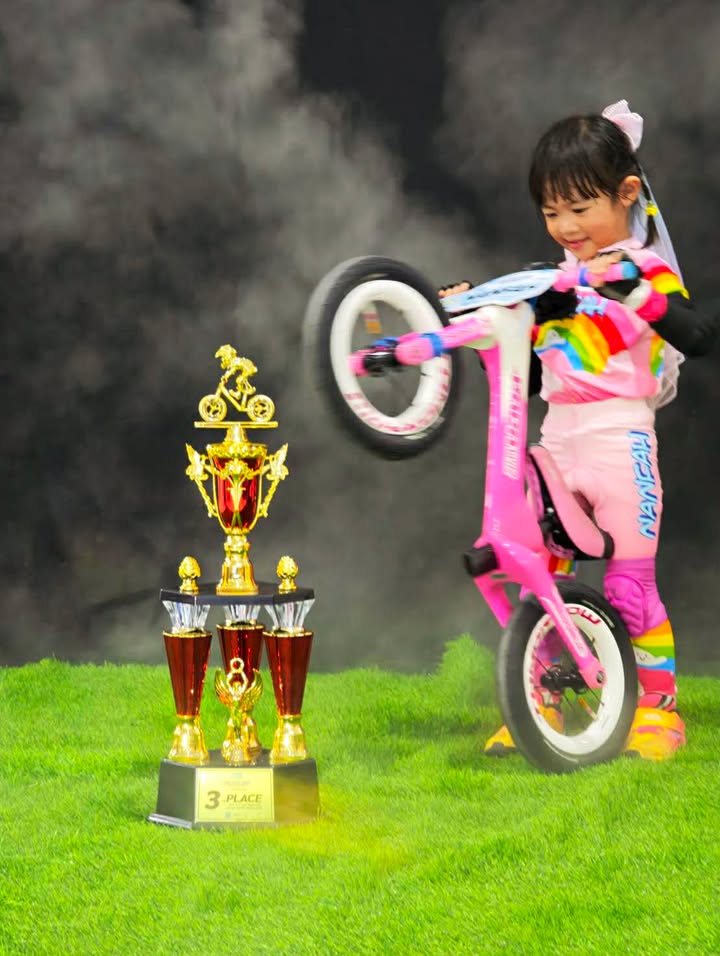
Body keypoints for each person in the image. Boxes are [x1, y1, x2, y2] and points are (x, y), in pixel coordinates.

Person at [441, 100, 715, 761]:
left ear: (627, 194)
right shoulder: (554, 285)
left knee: (629, 589)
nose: (566, 227)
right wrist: (484, 326)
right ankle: (544, 707)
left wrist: (633, 293)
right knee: (541, 575)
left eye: (580, 208)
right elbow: (533, 376)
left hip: (622, 439)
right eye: (551, 212)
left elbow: (699, 335)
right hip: (557, 440)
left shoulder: (642, 269)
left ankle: (657, 712)